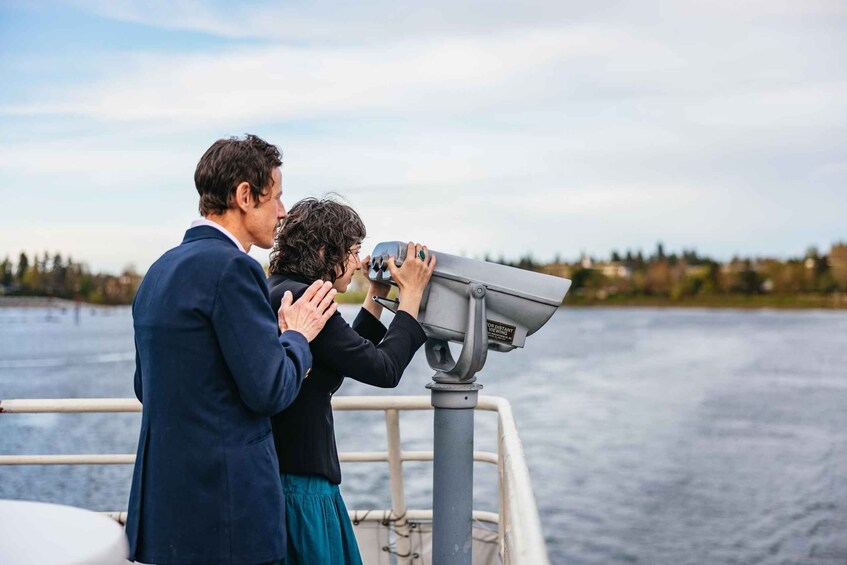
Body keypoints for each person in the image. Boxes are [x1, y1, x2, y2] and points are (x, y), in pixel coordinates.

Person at [126, 135, 338, 565]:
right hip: (229, 519)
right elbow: (271, 391)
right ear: (245, 195)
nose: (282, 211)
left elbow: (146, 387)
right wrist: (298, 335)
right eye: (276, 196)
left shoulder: (159, 270)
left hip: (165, 512)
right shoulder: (235, 269)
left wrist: (272, 342)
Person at [267, 197, 435, 565]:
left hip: (280, 477)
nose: (359, 263)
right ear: (327, 251)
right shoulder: (310, 299)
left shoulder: (282, 289)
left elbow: (338, 359)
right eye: (354, 250)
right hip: (302, 489)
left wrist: (376, 297)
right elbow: (384, 369)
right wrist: (412, 298)